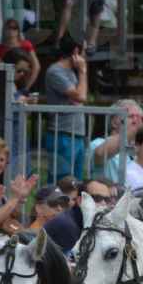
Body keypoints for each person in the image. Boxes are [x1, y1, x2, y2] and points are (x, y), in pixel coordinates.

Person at [42, 37, 89, 180]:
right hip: (62, 134)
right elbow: (81, 96)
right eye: (84, 51)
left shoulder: (70, 72)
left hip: (75, 134)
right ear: (76, 51)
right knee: (61, 181)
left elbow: (81, 94)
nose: (85, 56)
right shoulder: (55, 71)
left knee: (76, 182)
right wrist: (82, 72)